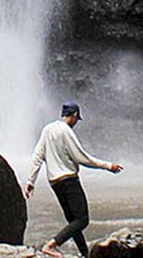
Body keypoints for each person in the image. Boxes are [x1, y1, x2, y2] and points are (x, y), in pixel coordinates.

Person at [24, 101, 123, 258]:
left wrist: (31, 181)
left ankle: (85, 254)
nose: (76, 122)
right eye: (77, 119)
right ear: (74, 115)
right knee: (82, 220)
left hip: (54, 183)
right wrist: (108, 166)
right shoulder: (66, 131)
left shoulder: (48, 129)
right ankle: (51, 245)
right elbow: (81, 157)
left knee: (73, 222)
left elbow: (37, 155)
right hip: (69, 180)